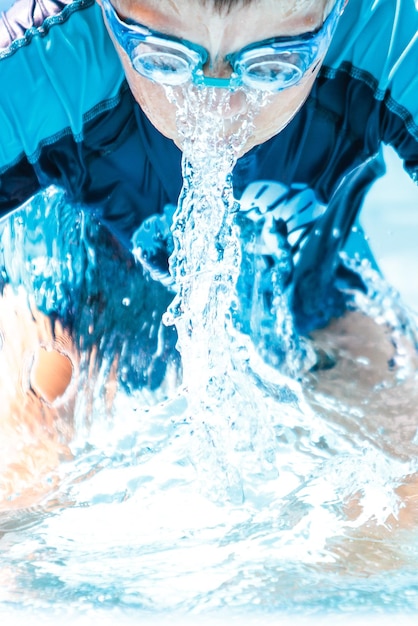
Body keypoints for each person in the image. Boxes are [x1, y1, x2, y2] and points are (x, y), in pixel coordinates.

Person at [0, 0, 417, 510]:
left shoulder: (387, 32)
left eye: (274, 65)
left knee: (400, 467)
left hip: (309, 287)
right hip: (69, 300)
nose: (214, 105)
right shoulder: (48, 56)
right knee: (23, 464)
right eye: (163, 59)